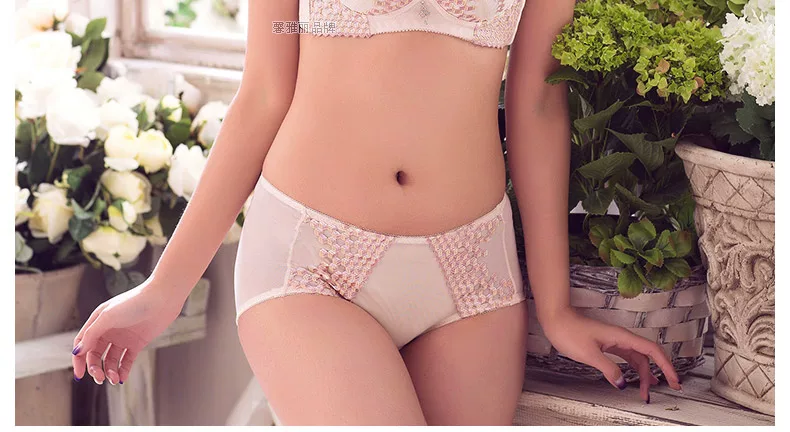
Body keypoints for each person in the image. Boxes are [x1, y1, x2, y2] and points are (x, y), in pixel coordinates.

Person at [71, 0, 683, 425]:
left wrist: (555, 309)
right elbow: (263, 94)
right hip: (314, 263)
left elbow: (540, 105)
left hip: (474, 273)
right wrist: (164, 290)